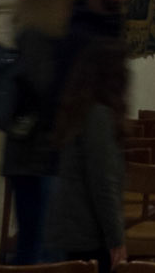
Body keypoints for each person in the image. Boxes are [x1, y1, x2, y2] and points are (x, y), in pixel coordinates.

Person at [2, 0, 87, 263]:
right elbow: (45, 91)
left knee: (34, 241)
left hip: (27, 154)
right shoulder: (42, 38)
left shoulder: (31, 31)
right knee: (44, 246)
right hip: (43, 156)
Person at [46, 19, 131, 272]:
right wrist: (116, 241)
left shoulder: (80, 109)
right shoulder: (98, 116)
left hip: (73, 229)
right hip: (86, 233)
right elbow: (103, 183)